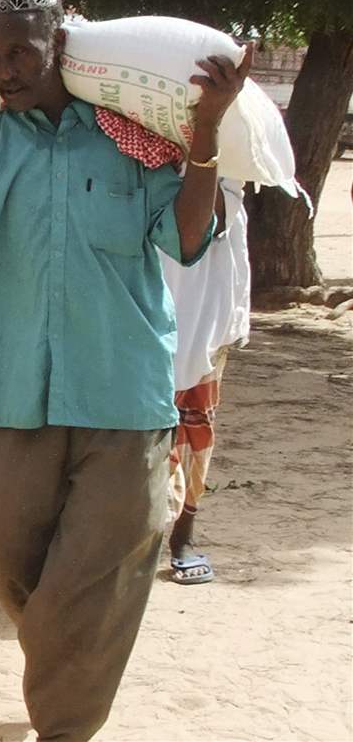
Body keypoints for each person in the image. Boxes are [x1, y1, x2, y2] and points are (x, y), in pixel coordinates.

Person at [0, 0, 251, 742]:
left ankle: (64, 726)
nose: (7, 70)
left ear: (59, 41)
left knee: (99, 565)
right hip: (16, 395)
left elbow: (189, 241)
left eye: (22, 51)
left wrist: (205, 133)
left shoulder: (131, 143)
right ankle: (71, 653)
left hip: (122, 396)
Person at [162, 177, 251, 584]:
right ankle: (140, 537)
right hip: (144, 314)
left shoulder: (226, 169)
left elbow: (216, 222)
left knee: (196, 430)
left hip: (206, 317)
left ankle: (183, 535)